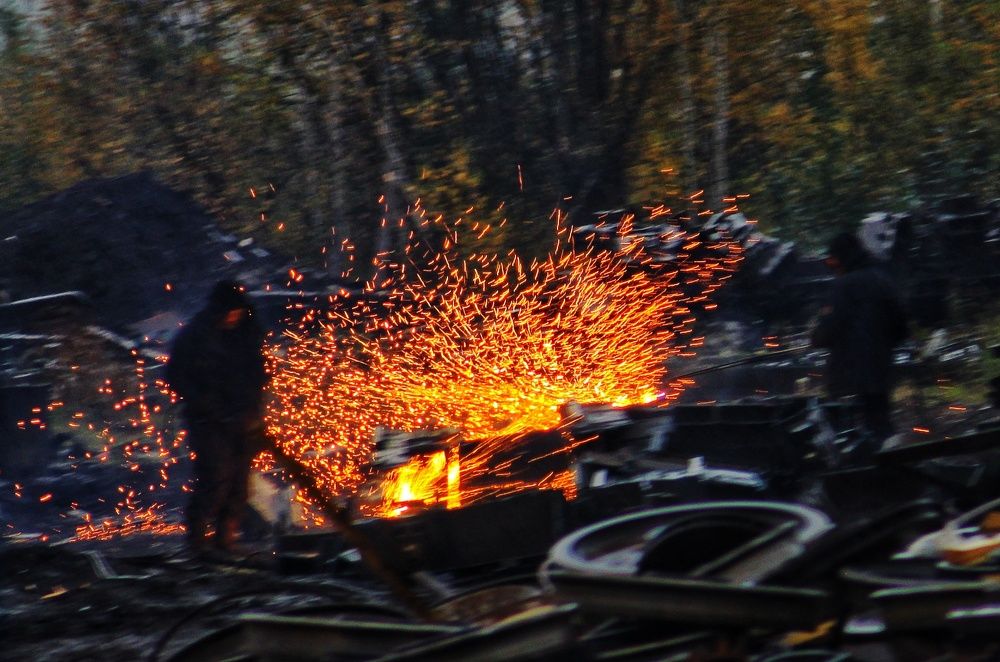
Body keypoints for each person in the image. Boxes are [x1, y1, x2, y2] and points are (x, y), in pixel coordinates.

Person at [167, 279, 268, 554]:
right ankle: (197, 543)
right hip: (208, 422)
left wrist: (253, 414)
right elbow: (175, 376)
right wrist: (207, 404)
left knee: (238, 485)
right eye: (228, 312)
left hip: (241, 420)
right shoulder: (195, 336)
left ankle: (226, 541)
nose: (232, 317)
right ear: (217, 310)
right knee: (215, 478)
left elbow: (257, 377)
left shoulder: (247, 336)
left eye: (236, 312)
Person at [812, 232, 908, 441]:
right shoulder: (882, 280)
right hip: (881, 369)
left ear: (841, 258)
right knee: (881, 424)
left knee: (849, 433)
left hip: (848, 375)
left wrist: (816, 337)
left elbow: (828, 330)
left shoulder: (842, 286)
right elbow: (901, 325)